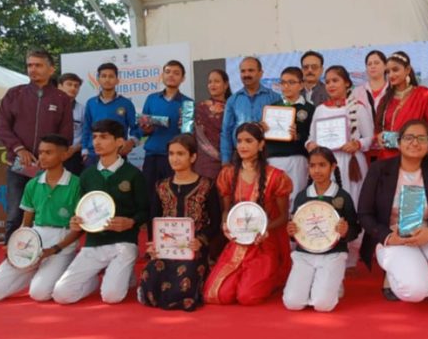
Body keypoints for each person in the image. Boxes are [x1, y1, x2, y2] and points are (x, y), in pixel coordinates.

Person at [358, 119, 428, 304]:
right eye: (409, 137)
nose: (415, 143)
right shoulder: (379, 170)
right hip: (394, 238)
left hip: (427, 234)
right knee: (415, 292)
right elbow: (364, 214)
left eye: (421, 138)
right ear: (399, 142)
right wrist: (388, 236)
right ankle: (400, 274)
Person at [53, 119, 149, 304]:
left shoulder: (133, 174)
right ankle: (94, 280)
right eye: (95, 137)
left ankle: (124, 275)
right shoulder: (87, 175)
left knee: (111, 297)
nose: (97, 142)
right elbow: (80, 210)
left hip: (124, 243)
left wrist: (131, 222)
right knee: (61, 295)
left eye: (104, 137)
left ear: (120, 142)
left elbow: (145, 211)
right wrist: (76, 221)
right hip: (93, 244)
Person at [0, 134, 81, 302]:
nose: (42, 156)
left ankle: (71, 270)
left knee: (39, 294)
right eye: (41, 152)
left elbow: (80, 229)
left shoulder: (77, 184)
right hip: (34, 239)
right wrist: (16, 247)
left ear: (64, 155)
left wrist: (55, 249)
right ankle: (39, 269)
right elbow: (26, 224)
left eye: (48, 152)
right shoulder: (32, 184)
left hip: (63, 242)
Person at [204, 123, 292, 305]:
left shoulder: (276, 177)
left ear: (261, 145)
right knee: (217, 295)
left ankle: (271, 275)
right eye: (239, 141)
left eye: (249, 141)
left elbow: (283, 217)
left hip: (264, 244)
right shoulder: (228, 174)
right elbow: (227, 212)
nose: (243, 146)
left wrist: (264, 230)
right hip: (237, 243)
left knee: (247, 297)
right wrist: (225, 225)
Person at [0, 48, 74, 244]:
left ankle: (46, 255)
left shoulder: (61, 99)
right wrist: (19, 149)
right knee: (15, 214)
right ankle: (12, 257)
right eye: (30, 65)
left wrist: (49, 157)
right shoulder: (15, 94)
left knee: (46, 214)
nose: (33, 69)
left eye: (38, 65)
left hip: (48, 169)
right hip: (18, 166)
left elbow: (66, 136)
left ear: (51, 69)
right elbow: (2, 126)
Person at [138, 134, 221, 311]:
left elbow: (216, 221)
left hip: (192, 249)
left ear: (193, 157)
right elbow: (154, 218)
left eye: (180, 154)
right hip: (165, 248)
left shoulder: (207, 185)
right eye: (171, 153)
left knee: (184, 282)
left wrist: (201, 240)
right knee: (150, 276)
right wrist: (153, 245)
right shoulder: (161, 186)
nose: (174, 158)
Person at [306, 65, 374, 270]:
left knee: (350, 203)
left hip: (351, 163)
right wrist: (310, 145)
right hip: (327, 166)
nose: (331, 85)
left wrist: (358, 144)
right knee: (328, 204)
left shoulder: (358, 107)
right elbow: (311, 138)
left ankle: (353, 252)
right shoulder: (320, 109)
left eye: (335, 80)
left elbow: (370, 137)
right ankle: (327, 245)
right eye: (327, 81)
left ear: (347, 83)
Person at [283, 147, 360, 312]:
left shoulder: (342, 197)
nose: (317, 170)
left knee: (322, 305)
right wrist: (291, 231)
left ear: (333, 167)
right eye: (312, 166)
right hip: (305, 254)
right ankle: (316, 283)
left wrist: (346, 231)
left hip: (333, 254)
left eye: (322, 165)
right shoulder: (302, 196)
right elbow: (296, 231)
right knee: (292, 303)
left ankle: (334, 281)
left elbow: (355, 229)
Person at [375, 51, 428, 162]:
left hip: (416, 156)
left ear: (408, 70)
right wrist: (379, 136)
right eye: (387, 72)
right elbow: (379, 128)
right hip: (389, 157)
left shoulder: (425, 96)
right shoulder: (385, 100)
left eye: (395, 70)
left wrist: (411, 136)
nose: (391, 75)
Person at [139, 60, 195, 200]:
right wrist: (146, 128)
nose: (171, 76)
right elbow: (142, 130)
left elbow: (187, 136)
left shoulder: (188, 103)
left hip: (175, 158)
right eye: (168, 72)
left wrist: (183, 125)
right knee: (149, 196)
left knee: (172, 196)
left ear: (183, 78)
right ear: (162, 75)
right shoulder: (151, 99)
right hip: (152, 155)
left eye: (176, 73)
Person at [264, 66, 315, 209]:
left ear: (302, 85)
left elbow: (313, 138)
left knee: (296, 197)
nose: (286, 86)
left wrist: (297, 136)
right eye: (283, 82)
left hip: (296, 159)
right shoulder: (272, 108)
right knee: (273, 199)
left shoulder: (310, 109)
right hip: (273, 158)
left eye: (291, 82)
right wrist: (263, 130)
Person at [220, 57, 280, 165]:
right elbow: (226, 132)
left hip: (268, 157)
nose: (246, 74)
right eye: (243, 71)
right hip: (239, 158)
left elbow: (281, 128)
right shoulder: (233, 100)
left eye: (251, 70)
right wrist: (225, 160)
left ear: (260, 73)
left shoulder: (274, 98)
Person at [81, 63, 140, 166]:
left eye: (111, 76)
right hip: (93, 154)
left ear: (117, 80)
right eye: (103, 76)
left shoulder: (126, 103)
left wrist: (131, 142)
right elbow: (86, 128)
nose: (107, 79)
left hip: (118, 153)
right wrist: (85, 151)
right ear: (98, 79)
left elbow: (136, 127)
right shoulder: (91, 103)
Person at [194, 69, 231, 180]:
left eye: (216, 81)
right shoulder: (200, 107)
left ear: (226, 85)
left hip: (228, 158)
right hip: (204, 161)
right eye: (210, 82)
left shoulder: (233, 106)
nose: (212, 85)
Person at [58, 73, 85, 176]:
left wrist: (74, 149)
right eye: (69, 84)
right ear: (60, 86)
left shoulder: (82, 110)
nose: (73, 88)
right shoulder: (48, 107)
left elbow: (86, 134)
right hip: (52, 155)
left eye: (76, 86)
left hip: (74, 156)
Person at [349, 50, 389, 119]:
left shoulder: (392, 89)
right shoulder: (357, 92)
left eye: (376, 63)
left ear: (385, 66)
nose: (372, 66)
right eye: (369, 64)